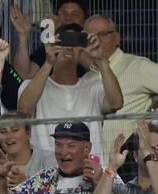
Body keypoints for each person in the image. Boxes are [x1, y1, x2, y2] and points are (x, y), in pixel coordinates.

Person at [81, 13, 158, 143]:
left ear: (117, 38)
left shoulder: (137, 66)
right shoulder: (87, 78)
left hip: (131, 158)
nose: (96, 40)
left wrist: (155, 113)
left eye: (102, 34)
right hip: (95, 160)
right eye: (90, 37)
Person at [16, 23, 123, 156]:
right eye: (63, 42)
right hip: (45, 173)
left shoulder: (94, 86)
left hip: (90, 172)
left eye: (75, 43)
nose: (68, 48)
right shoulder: (31, 85)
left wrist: (100, 60)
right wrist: (48, 63)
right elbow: (23, 110)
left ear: (82, 49)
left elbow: (116, 103)